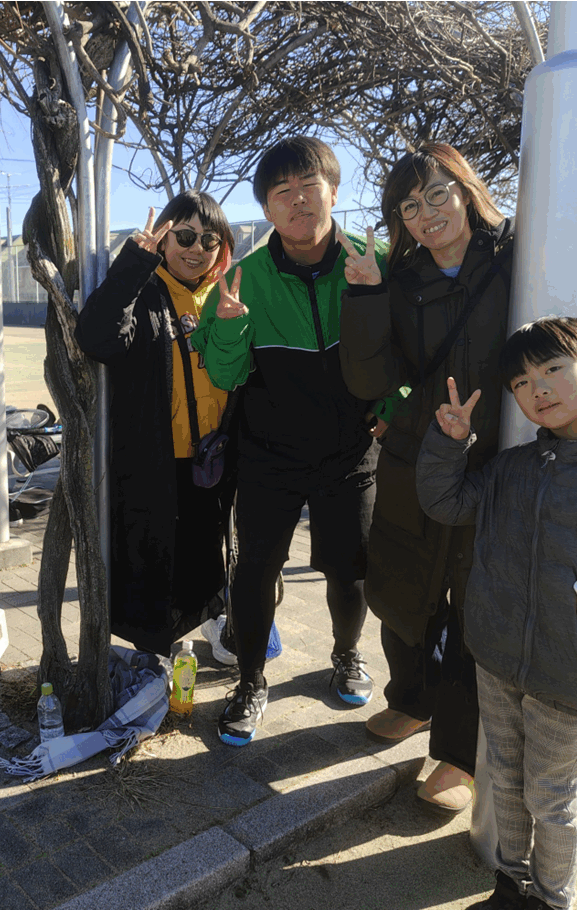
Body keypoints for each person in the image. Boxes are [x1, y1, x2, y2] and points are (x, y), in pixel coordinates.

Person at [416, 316, 577, 910]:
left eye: (551, 369)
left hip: (570, 677)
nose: (536, 388)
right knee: (507, 782)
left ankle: (550, 898)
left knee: (551, 797)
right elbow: (446, 502)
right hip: (497, 661)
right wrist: (450, 442)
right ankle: (511, 884)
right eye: (520, 381)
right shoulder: (514, 466)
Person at [339, 142, 513, 814]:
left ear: (465, 188)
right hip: (415, 453)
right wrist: (365, 295)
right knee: (399, 583)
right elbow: (369, 379)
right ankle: (411, 700)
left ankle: (459, 754)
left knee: (475, 602)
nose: (426, 212)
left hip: (493, 459)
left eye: (437, 193)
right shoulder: (400, 278)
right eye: (409, 206)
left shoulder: (514, 258)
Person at [197, 136, 385, 747]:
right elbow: (223, 374)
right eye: (283, 191)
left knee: (350, 567)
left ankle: (346, 654)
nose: (299, 200)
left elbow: (409, 349)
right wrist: (231, 328)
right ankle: (250, 681)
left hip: (350, 453)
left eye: (310, 185)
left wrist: (391, 407)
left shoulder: (374, 260)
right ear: (267, 208)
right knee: (255, 569)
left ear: (334, 191)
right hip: (267, 455)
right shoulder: (241, 278)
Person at [74, 190, 236, 656]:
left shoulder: (222, 296)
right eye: (184, 236)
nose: (196, 248)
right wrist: (134, 263)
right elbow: (96, 338)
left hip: (212, 462)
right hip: (155, 462)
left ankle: (213, 621)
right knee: (152, 564)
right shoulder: (144, 292)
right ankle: (152, 654)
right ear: (163, 239)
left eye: (209, 240)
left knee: (207, 554)